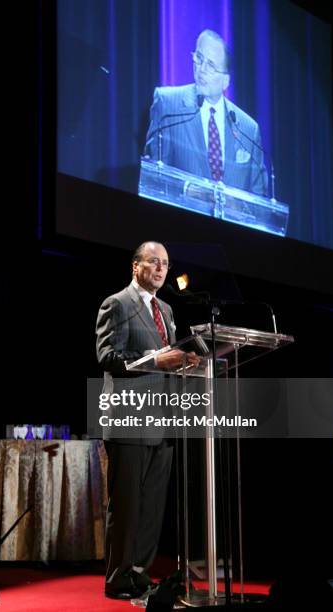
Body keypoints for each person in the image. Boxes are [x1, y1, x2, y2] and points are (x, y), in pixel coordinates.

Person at [96, 241, 199, 600]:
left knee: (153, 505)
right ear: (135, 266)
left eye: (166, 264)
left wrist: (184, 361)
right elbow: (108, 356)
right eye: (154, 262)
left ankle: (139, 575)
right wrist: (158, 360)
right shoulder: (117, 304)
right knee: (127, 504)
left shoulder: (167, 310)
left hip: (163, 418)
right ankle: (118, 578)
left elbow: (166, 357)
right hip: (128, 417)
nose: (161, 269)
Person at [145, 29, 268, 196]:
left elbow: (259, 198)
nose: (201, 69)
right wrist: (187, 189)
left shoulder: (248, 129)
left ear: (225, 81)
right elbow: (153, 178)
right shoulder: (168, 105)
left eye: (211, 65)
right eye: (199, 58)